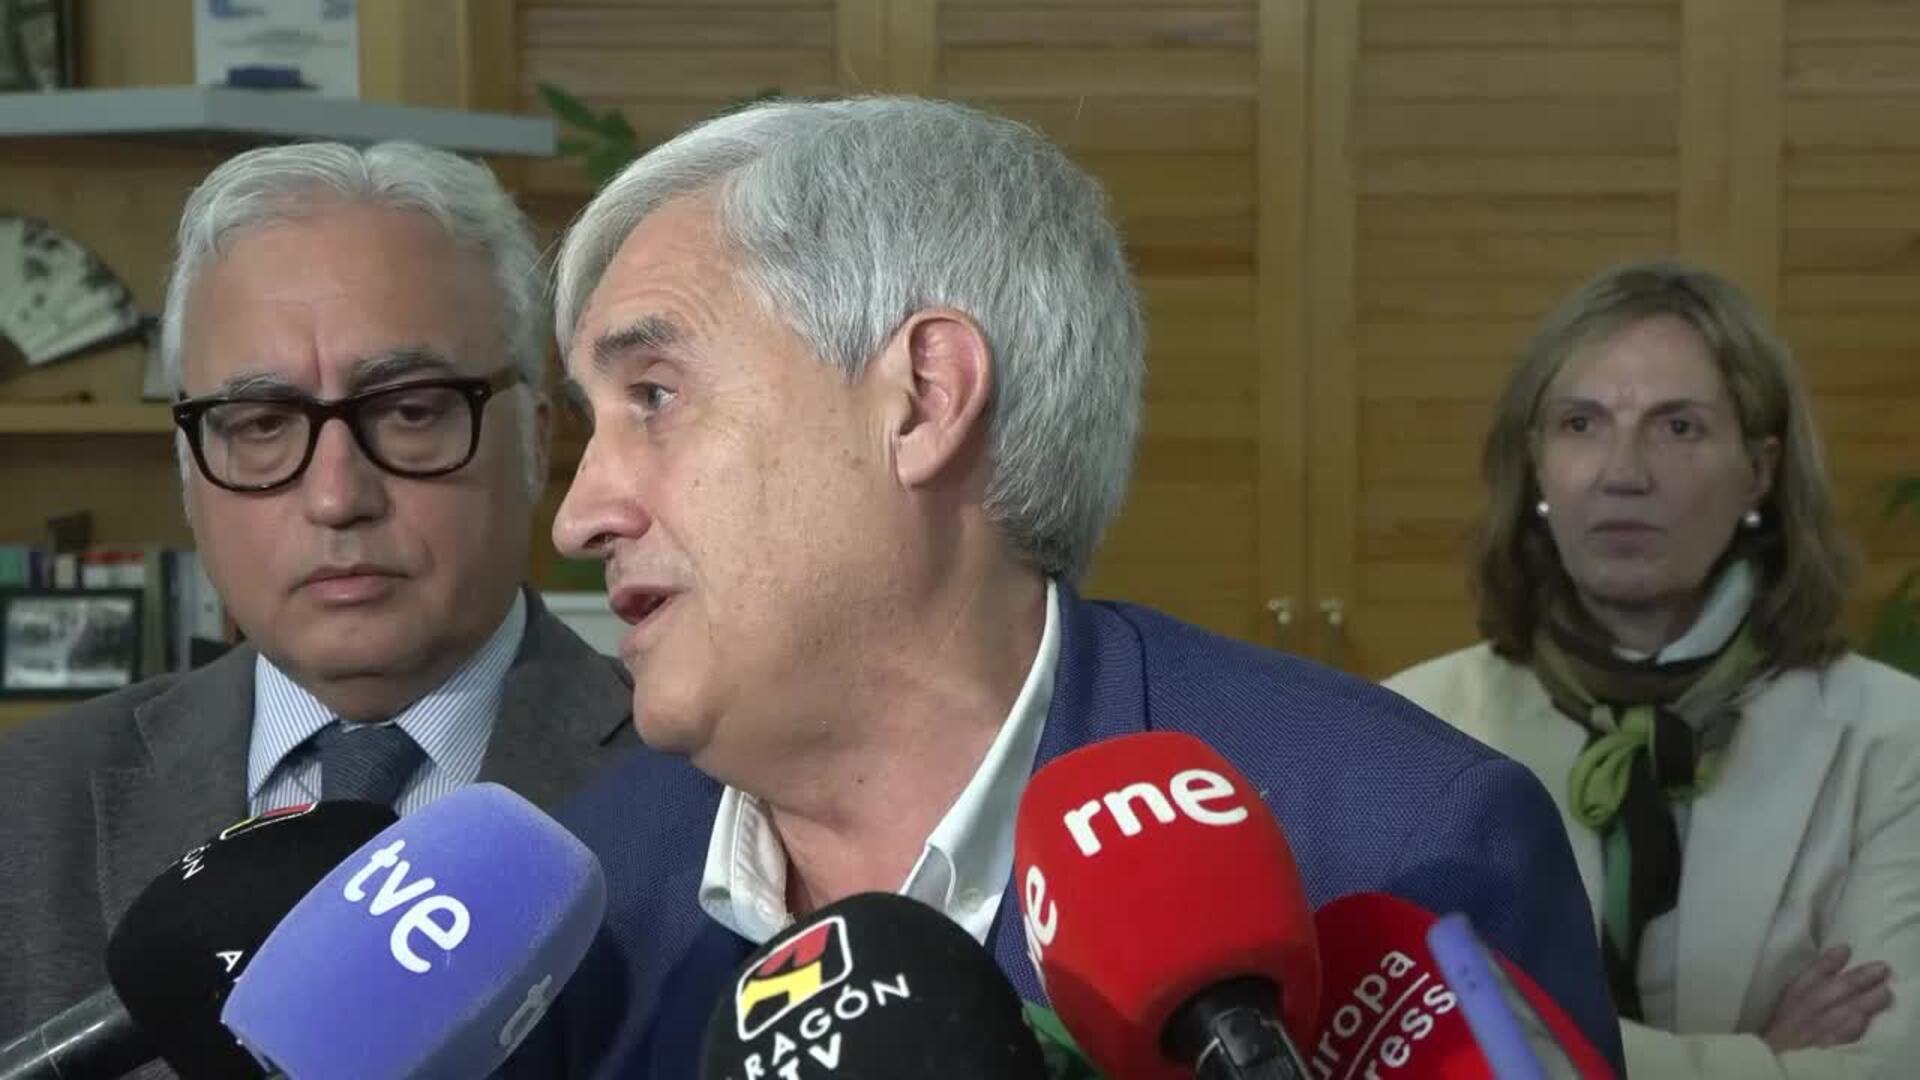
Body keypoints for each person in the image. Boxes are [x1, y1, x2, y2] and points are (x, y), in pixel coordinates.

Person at [497, 95, 1625, 1077]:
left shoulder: (1395, 844)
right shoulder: (577, 908)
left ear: (924, 399)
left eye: (654, 397)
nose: (580, 514)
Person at [0, 141, 637, 1042]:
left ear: (534, 442)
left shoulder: (708, 792)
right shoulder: (22, 809)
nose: (337, 496)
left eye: (410, 411)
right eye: (261, 424)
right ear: (189, 467)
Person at [1385, 259, 1920, 1078]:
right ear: (1536, 464)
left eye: (1679, 428)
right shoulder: (1412, 727)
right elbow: (1430, 1047)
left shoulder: (1893, 741)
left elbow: (1886, 1065)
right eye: (1581, 424)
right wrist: (1758, 1061)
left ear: (1759, 470)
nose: (1623, 474)